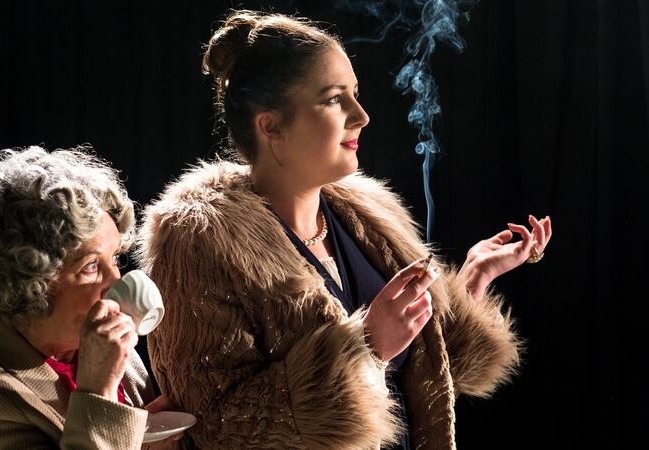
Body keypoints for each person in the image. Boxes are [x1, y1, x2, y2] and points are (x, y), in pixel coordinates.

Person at [137, 10, 553, 450]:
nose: (362, 115)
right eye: (335, 98)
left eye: (355, 95)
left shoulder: (369, 219)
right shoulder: (199, 245)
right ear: (271, 125)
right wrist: (366, 348)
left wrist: (473, 278)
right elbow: (215, 425)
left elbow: (431, 369)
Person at [0, 146, 180, 449]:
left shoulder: (107, 351)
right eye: (91, 266)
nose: (116, 282)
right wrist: (99, 392)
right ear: (26, 281)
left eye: (115, 259)